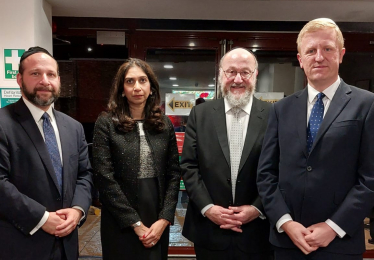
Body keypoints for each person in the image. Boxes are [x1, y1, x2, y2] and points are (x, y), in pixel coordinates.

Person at [257, 18, 374, 260]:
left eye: (327, 49)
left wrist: (333, 227)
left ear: (341, 54)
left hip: (340, 242)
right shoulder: (281, 109)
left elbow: (370, 177)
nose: (318, 57)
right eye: (310, 51)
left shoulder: (367, 104)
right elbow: (266, 175)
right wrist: (286, 222)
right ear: (300, 59)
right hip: (287, 242)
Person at [0, 46, 93, 260]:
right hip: (20, 244)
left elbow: (84, 175)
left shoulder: (74, 127)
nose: (45, 80)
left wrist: (78, 210)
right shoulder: (3, 123)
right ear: (19, 79)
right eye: (35, 73)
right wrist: (42, 218)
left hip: (67, 246)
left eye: (51, 74)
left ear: (59, 80)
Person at [181, 48, 273, 260]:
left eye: (245, 72)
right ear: (221, 74)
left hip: (258, 232)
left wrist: (257, 208)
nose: (238, 79)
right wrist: (208, 208)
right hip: (209, 230)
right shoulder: (200, 114)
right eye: (231, 71)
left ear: (255, 74)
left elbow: (280, 168)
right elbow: (189, 166)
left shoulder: (273, 115)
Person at [92, 58, 181, 260]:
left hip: (156, 211)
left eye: (143, 80)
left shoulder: (164, 124)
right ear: (122, 89)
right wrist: (135, 223)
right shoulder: (106, 123)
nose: (137, 87)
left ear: (151, 87)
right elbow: (104, 177)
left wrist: (164, 219)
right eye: (130, 81)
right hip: (120, 216)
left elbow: (174, 174)